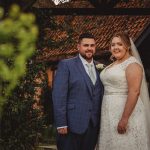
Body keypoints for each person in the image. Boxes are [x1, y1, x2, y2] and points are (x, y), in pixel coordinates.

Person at [96, 31, 150, 150]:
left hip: (125, 112)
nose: (115, 47)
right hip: (108, 111)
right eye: (113, 45)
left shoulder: (132, 65)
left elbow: (134, 92)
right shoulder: (113, 64)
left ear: (127, 46)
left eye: (120, 44)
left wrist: (124, 119)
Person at [52, 33, 104, 150]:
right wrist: (61, 123)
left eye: (92, 45)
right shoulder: (66, 65)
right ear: (78, 47)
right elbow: (59, 96)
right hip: (71, 125)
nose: (89, 48)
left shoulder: (101, 67)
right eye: (86, 45)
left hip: (93, 125)